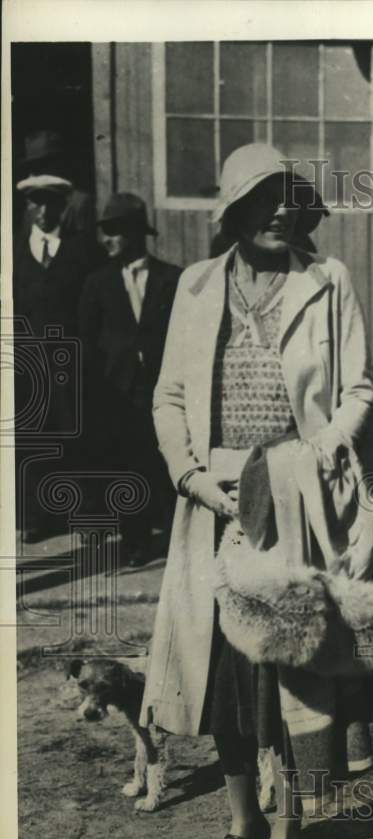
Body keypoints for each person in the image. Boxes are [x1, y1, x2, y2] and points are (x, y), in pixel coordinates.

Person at [139, 143, 373, 839]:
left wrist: (316, 458)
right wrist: (189, 476)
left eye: (290, 198)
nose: (279, 211)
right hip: (212, 501)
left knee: (289, 676)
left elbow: (358, 389)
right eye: (261, 199)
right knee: (223, 678)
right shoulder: (198, 285)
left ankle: (289, 832)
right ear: (234, 213)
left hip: (295, 499)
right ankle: (240, 824)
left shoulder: (326, 281)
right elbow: (169, 394)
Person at [78, 193, 181, 567]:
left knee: (169, 464)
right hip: (117, 395)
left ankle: (177, 539)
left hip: (163, 390)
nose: (108, 239)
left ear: (136, 232)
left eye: (115, 231)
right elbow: (86, 341)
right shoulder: (97, 283)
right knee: (126, 468)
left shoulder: (173, 279)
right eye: (105, 231)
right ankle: (136, 540)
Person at [13, 173, 103, 543]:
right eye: (36, 202)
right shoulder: (14, 251)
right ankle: (38, 516)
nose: (43, 210)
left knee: (77, 435)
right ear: (27, 206)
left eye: (51, 202)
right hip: (28, 363)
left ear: (63, 207)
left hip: (71, 362)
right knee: (33, 437)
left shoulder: (82, 251)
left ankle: (86, 516)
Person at [16, 130, 96, 240]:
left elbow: (84, 247)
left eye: (41, 166)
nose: (34, 173)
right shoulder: (31, 205)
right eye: (32, 167)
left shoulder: (79, 203)